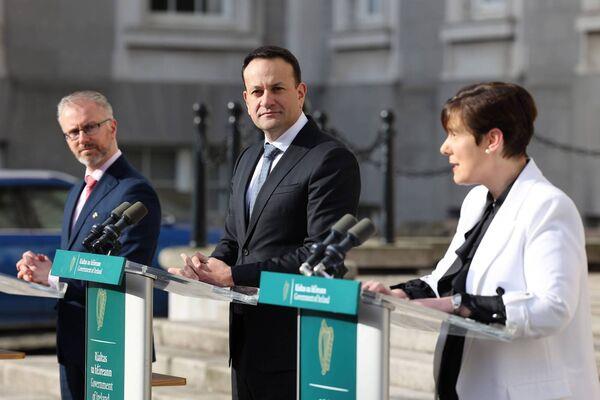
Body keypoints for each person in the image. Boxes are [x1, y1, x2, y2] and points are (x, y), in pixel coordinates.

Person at [364, 82, 600, 400]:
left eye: (454, 134)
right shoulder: (477, 201)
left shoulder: (548, 206)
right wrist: (399, 294)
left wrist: (460, 305)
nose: (444, 148)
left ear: (492, 140)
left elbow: (553, 307)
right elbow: (446, 281)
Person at [169, 46, 361, 399]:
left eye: (277, 88)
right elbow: (234, 238)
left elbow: (318, 255)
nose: (266, 99)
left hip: (299, 344)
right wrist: (210, 264)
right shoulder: (248, 157)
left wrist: (235, 276)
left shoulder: (329, 159)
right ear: (246, 99)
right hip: (246, 340)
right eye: (257, 91)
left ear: (301, 93)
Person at [16, 91, 161, 400]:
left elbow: (126, 269)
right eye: (72, 132)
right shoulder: (77, 190)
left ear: (112, 127)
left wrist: (55, 272)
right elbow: (81, 257)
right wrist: (42, 267)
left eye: (89, 127)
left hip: (112, 343)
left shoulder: (133, 191)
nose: (81, 137)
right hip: (74, 341)